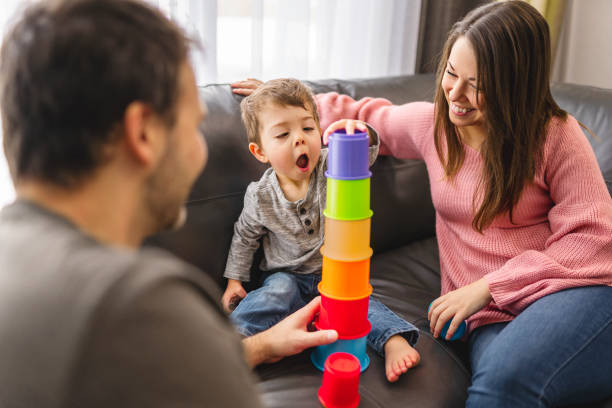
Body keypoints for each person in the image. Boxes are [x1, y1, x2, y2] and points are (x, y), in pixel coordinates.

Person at [232, 1, 612, 406]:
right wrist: (278, 101)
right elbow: (364, 113)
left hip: (571, 293)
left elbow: (594, 238)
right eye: (451, 73)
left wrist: (488, 287)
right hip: (490, 318)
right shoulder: (436, 127)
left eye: (477, 84)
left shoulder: (554, 134)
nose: (456, 94)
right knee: (500, 386)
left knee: (504, 382)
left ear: (515, 84)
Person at [0, 1, 337, 407]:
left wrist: (260, 346)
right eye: (194, 126)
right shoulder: (145, 303)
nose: (200, 150)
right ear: (143, 133)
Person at [221, 78, 420, 382]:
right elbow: (245, 237)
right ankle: (232, 340)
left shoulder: (332, 164)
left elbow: (365, 155)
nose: (300, 139)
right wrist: (234, 280)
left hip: (333, 275)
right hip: (285, 274)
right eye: (284, 134)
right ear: (260, 152)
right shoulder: (259, 195)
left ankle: (394, 340)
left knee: (359, 304)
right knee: (275, 293)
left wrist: (358, 134)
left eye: (308, 128)